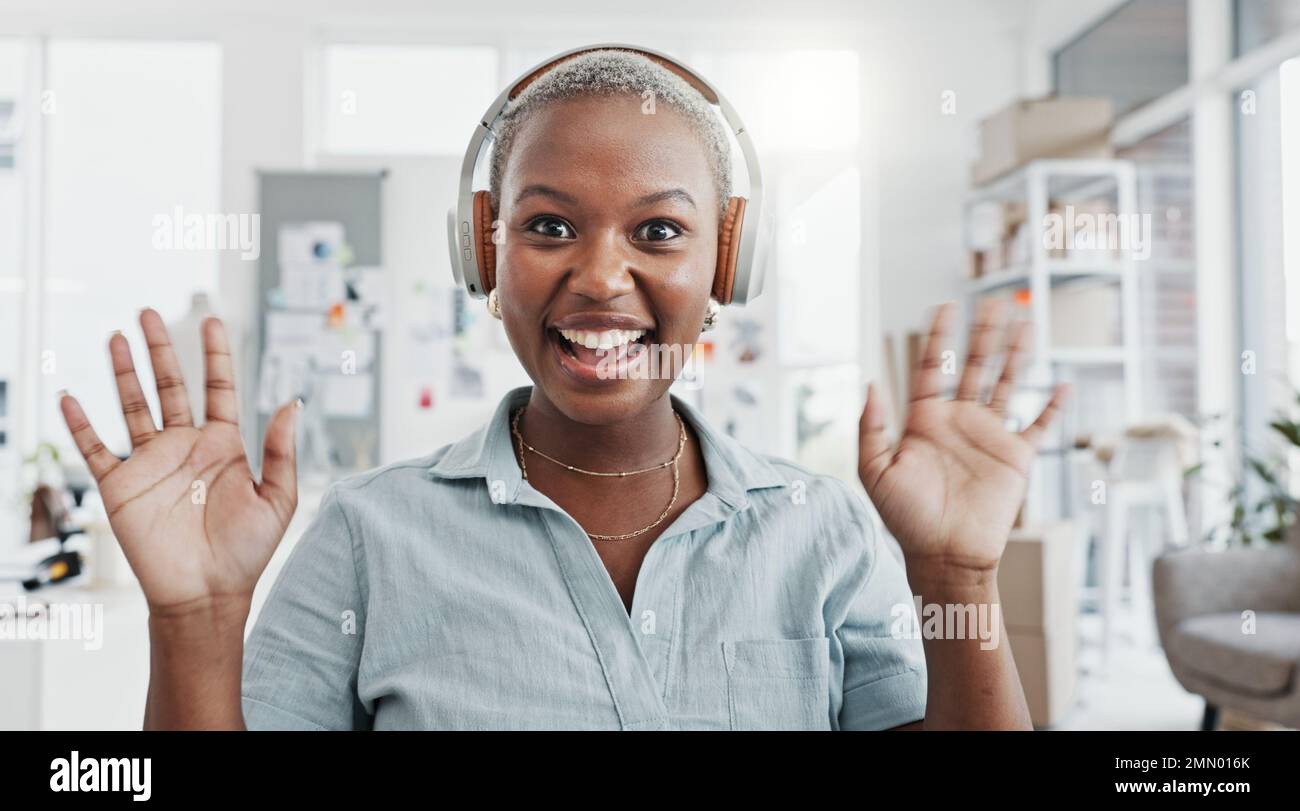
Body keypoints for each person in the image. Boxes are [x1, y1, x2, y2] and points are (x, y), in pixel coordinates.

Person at [58, 49, 1066, 730]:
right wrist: (193, 620)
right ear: (482, 251)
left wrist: (954, 575)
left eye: (659, 231)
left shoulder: (823, 533)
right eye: (547, 225)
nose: (597, 275)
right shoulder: (369, 535)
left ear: (728, 263)